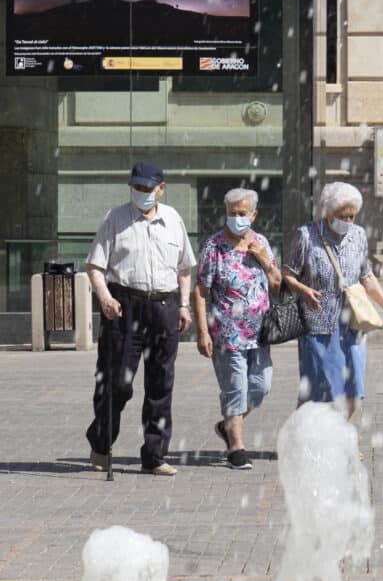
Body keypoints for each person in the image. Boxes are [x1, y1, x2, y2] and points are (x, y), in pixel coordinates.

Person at [86, 161, 196, 476]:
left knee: (161, 383)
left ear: (161, 189)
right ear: (131, 187)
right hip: (124, 305)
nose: (143, 194)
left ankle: (154, 455)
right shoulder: (115, 218)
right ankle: (101, 441)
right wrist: (105, 298)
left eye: (149, 189)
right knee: (117, 382)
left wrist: (184, 305)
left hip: (164, 305)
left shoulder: (173, 219)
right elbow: (95, 266)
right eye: (138, 188)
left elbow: (184, 267)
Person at [282, 181, 383, 419]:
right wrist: (304, 290)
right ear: (328, 211)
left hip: (353, 324)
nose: (347, 222)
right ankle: (302, 439)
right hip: (318, 326)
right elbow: (286, 275)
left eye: (352, 216)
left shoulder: (358, 236)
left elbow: (366, 276)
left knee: (353, 389)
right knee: (318, 391)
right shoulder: (306, 235)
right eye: (342, 216)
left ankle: (340, 438)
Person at [192, 188, 281, 469]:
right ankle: (236, 447)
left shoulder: (262, 242)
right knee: (235, 389)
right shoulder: (214, 246)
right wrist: (203, 332)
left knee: (260, 387)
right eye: (232, 213)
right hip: (227, 334)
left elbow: (278, 283)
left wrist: (264, 259)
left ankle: (230, 423)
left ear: (254, 215)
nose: (237, 218)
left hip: (260, 333)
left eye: (242, 214)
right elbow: (201, 290)